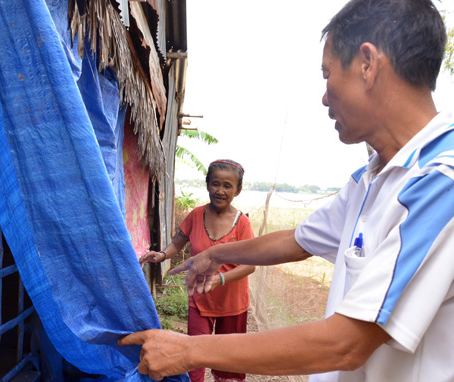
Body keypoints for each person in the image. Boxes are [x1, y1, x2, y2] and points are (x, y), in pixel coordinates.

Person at [119, 0, 453, 381]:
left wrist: (189, 349)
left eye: (327, 74)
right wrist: (216, 254)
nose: (325, 97)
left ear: (368, 64)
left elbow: (346, 343)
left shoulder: (441, 182)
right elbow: (297, 241)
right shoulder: (371, 178)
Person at [140, 159, 255, 382]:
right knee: (193, 357)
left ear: (238, 190)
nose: (220, 191)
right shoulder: (196, 215)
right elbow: (178, 242)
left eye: (227, 186)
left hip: (233, 304)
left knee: (227, 363)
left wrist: (219, 279)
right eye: (215, 184)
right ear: (207, 185)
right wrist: (162, 255)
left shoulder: (242, 224)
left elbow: (249, 265)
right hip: (200, 299)